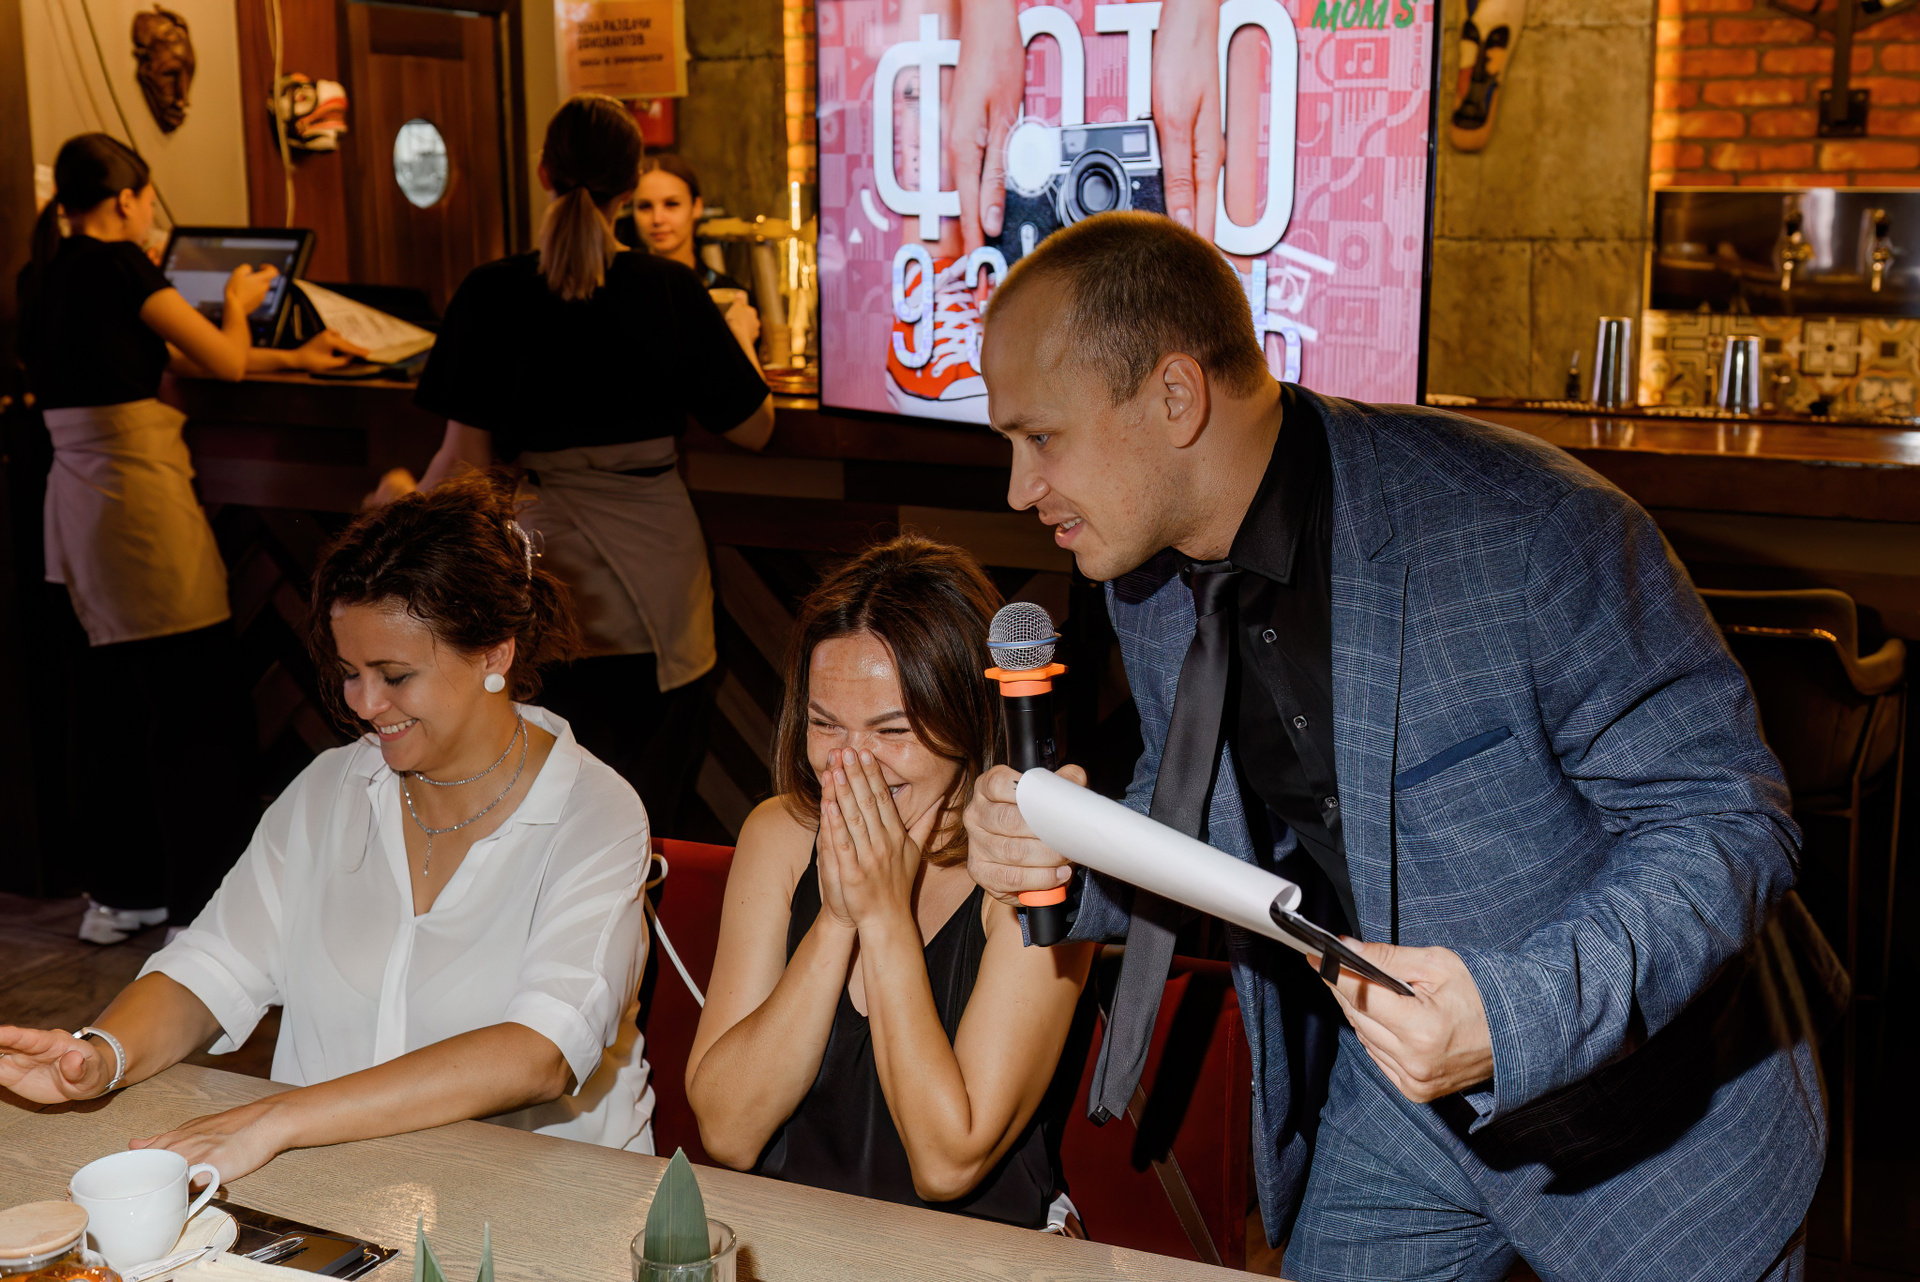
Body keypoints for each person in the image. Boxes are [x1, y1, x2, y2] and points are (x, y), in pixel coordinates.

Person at [963, 212, 1839, 1280]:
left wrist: (1513, 1018)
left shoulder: (1525, 526)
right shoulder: (1143, 581)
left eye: (1040, 438)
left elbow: (1728, 820)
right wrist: (1062, 847)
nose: (1017, 488)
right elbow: (1204, 811)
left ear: (1176, 397)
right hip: (1397, 1107)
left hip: (1654, 1120)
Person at [0, 472, 658, 1174]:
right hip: (339, 1183)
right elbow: (214, 965)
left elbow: (540, 1053)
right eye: (350, 672)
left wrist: (278, 1118)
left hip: (542, 1194)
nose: (364, 704)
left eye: (394, 675)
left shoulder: (594, 811)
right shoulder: (329, 789)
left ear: (494, 653)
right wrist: (102, 1054)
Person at [687, 535, 1095, 1230]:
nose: (852, 764)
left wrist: (884, 920)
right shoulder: (778, 834)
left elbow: (946, 1165)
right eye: (825, 725)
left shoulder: (1033, 864)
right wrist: (838, 918)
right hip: (790, 1236)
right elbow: (727, 1133)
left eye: (892, 730)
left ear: (967, 719)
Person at [16, 133, 364, 944]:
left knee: (105, 711)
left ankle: (120, 894)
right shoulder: (123, 266)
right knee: (196, 710)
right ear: (128, 200)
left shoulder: (44, 274)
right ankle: (202, 911)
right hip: (136, 506)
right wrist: (239, 300)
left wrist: (295, 357)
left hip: (72, 509)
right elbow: (221, 359)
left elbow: (167, 361)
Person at [398, 96, 774, 840]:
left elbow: (462, 460)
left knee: (541, 816)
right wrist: (737, 334)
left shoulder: (490, 291)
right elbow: (756, 430)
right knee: (644, 817)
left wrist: (398, 520)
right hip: (656, 587)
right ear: (630, 186)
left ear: (544, 172)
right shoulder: (671, 289)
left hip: (538, 580)